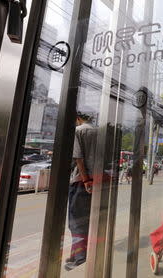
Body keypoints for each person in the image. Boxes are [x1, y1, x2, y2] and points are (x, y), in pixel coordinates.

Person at [65, 112, 97, 271]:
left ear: (78, 118)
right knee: (87, 219)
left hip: (80, 181)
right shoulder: (97, 132)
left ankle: (79, 256)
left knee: (75, 221)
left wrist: (85, 180)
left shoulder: (78, 131)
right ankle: (76, 253)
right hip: (97, 179)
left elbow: (78, 157)